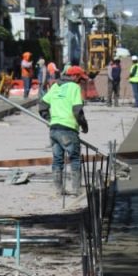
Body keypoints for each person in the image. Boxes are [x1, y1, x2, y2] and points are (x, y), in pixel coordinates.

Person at [40, 65, 89, 197]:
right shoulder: (74, 87)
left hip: (54, 129)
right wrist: (84, 125)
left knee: (57, 160)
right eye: (80, 78)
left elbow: (42, 105)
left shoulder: (56, 86)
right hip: (68, 129)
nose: (80, 82)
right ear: (74, 76)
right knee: (75, 159)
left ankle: (58, 190)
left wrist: (50, 119)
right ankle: (76, 190)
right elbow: (78, 110)